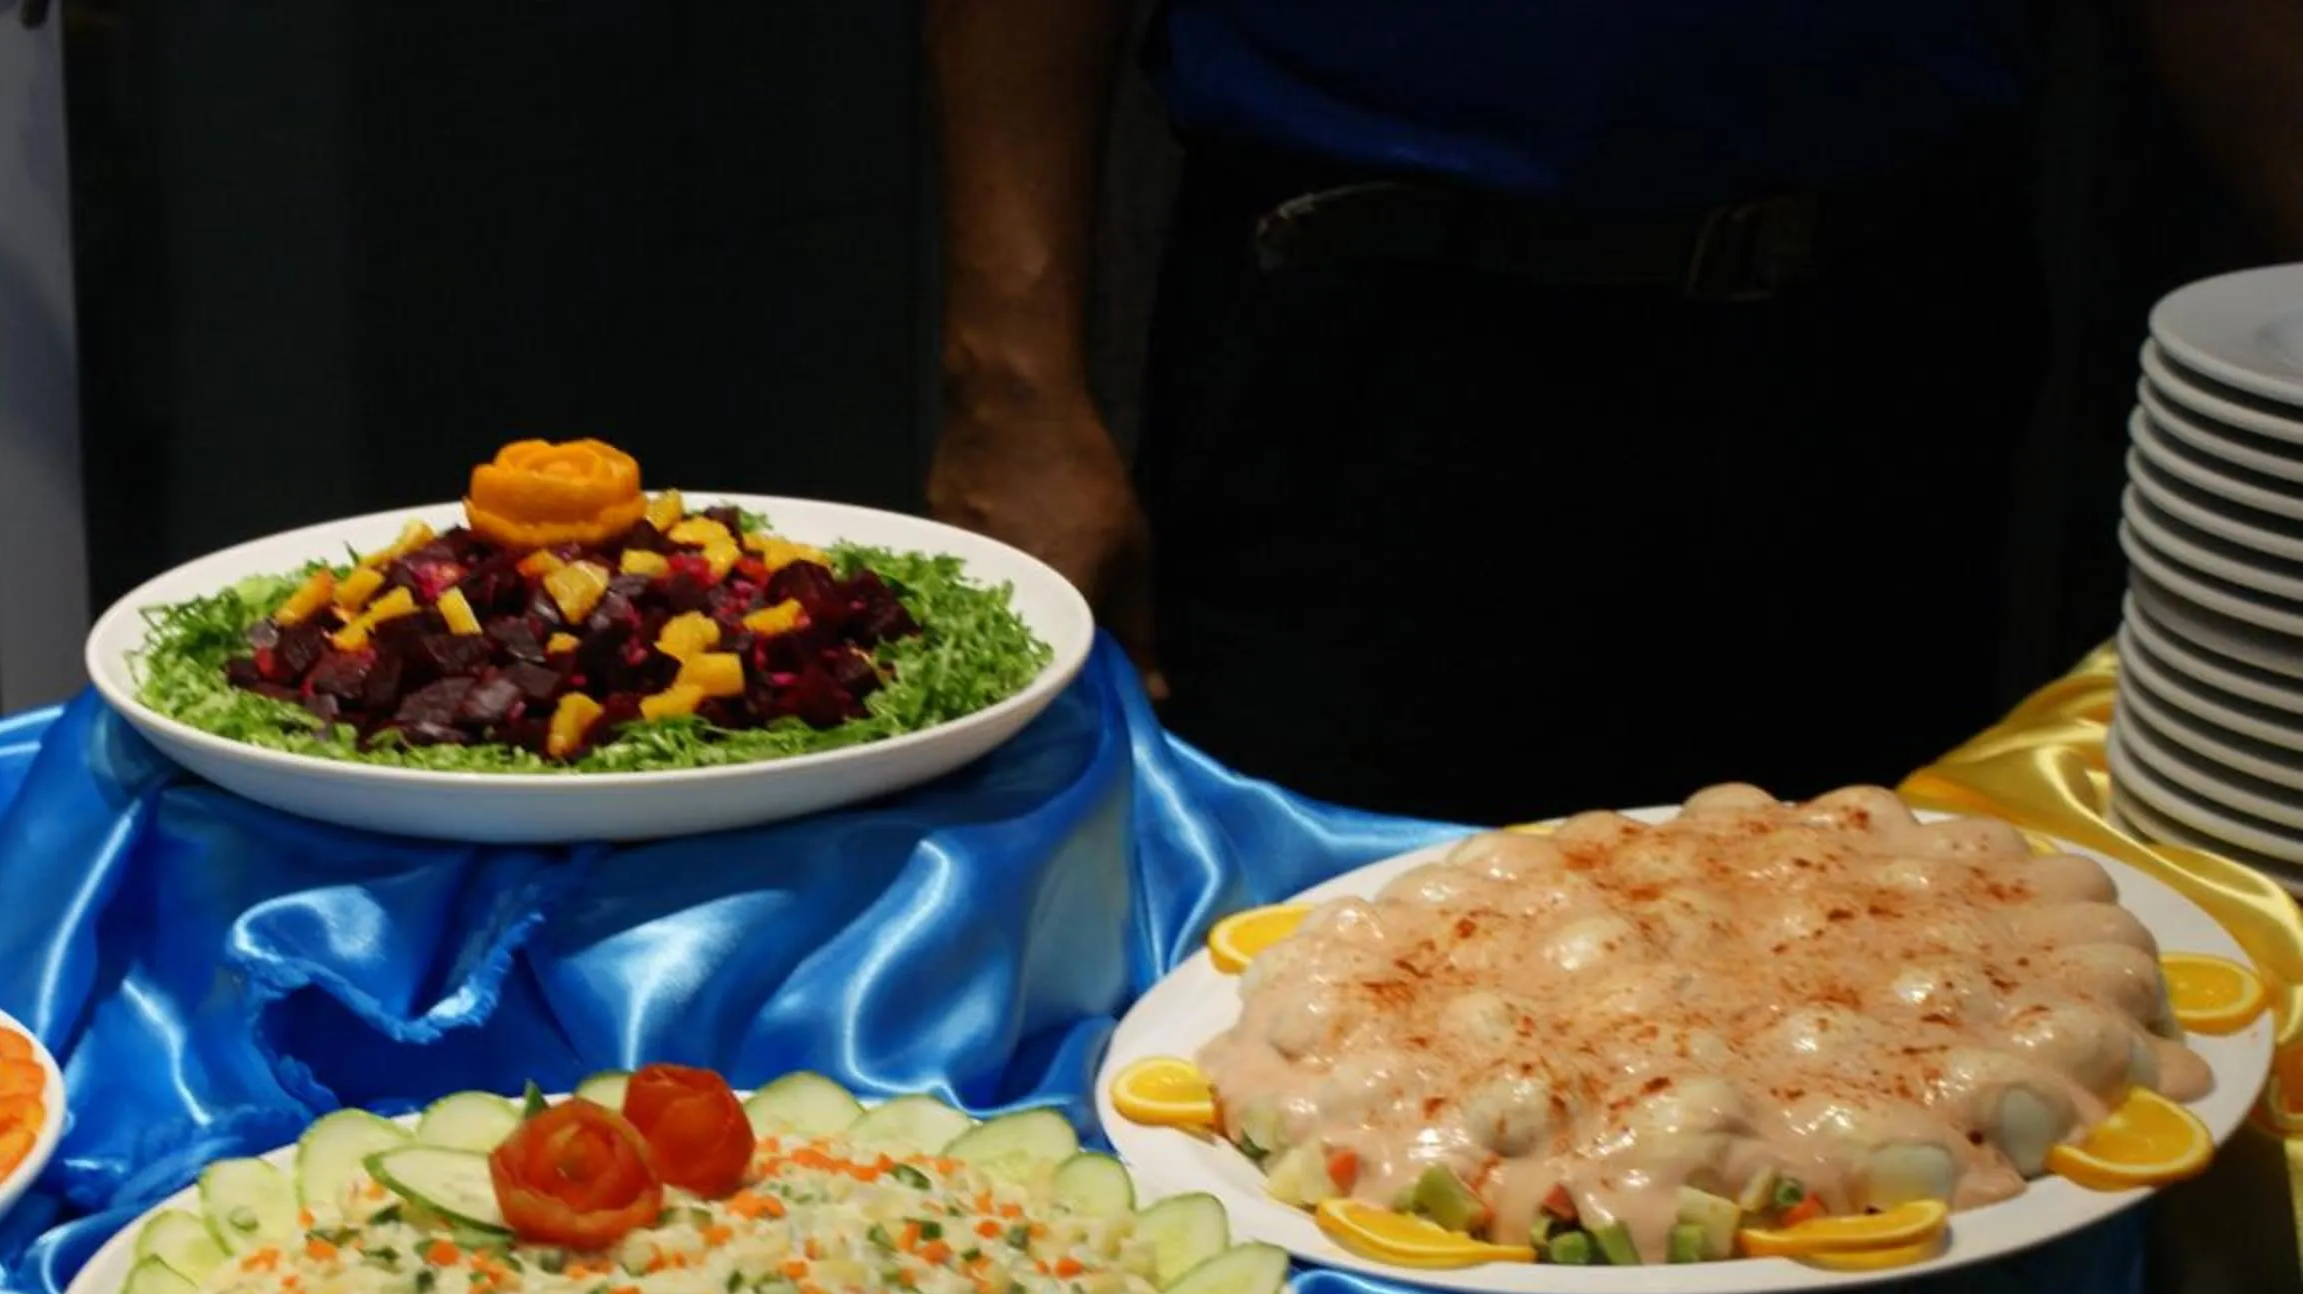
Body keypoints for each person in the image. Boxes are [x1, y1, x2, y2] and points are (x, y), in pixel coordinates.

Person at [925, 0, 2303, 823]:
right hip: (1373, 342)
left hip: (1874, 339)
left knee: (1872, 1003)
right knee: (1325, 1006)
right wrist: (1014, 385)